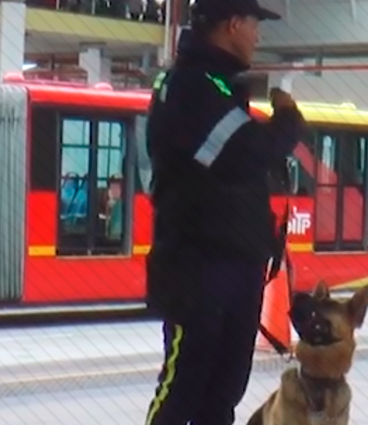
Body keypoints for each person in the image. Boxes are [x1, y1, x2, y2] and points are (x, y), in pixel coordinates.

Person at [140, 0, 305, 423]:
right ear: (233, 24)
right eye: (254, 26)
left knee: (222, 394)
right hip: (198, 270)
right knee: (184, 388)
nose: (258, 36)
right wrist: (287, 122)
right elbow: (243, 154)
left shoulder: (219, 87)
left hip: (234, 268)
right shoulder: (190, 86)